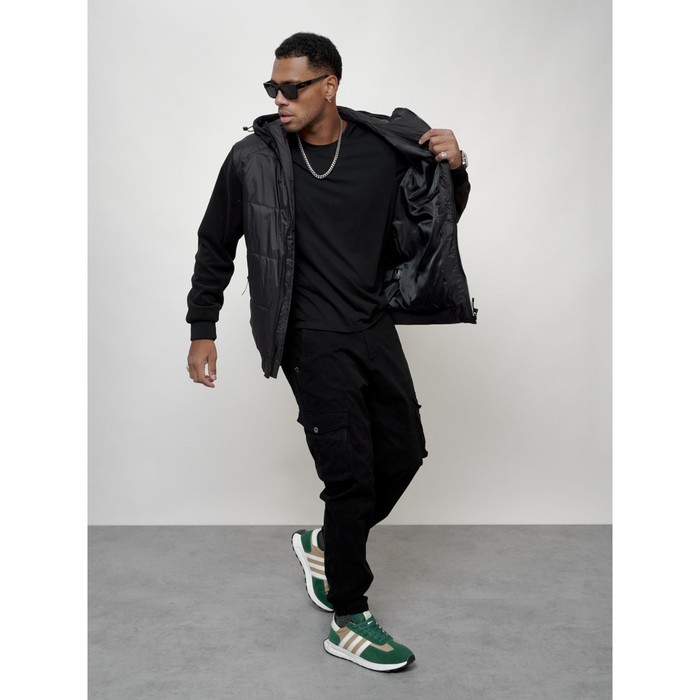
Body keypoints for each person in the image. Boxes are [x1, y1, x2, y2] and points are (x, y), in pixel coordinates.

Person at [186, 32, 476, 672]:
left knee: (404, 451)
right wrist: (202, 326)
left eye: (292, 88)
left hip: (371, 322)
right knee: (349, 475)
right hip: (306, 334)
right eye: (273, 88)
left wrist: (456, 167)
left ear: (330, 86)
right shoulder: (253, 160)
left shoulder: (379, 147)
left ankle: (325, 544)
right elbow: (215, 242)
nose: (280, 99)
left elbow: (436, 214)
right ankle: (349, 616)